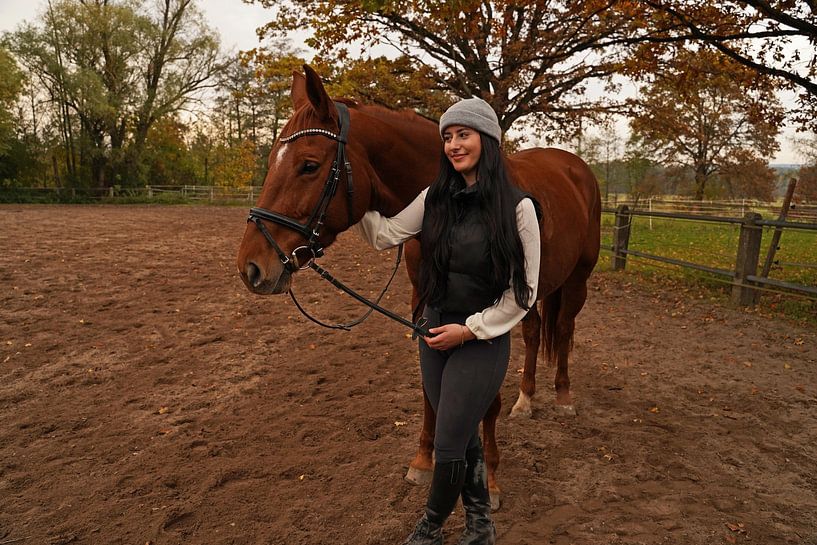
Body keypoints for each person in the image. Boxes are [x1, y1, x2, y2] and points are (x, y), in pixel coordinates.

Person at [354, 97, 541, 545]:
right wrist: (353, 195)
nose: (454, 144)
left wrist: (471, 329)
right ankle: (480, 523)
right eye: (448, 137)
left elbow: (524, 293)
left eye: (464, 134)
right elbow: (385, 235)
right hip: (433, 331)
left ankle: (430, 528)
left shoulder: (518, 208)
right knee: (461, 431)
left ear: (488, 140)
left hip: (481, 337)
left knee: (447, 442)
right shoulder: (433, 197)